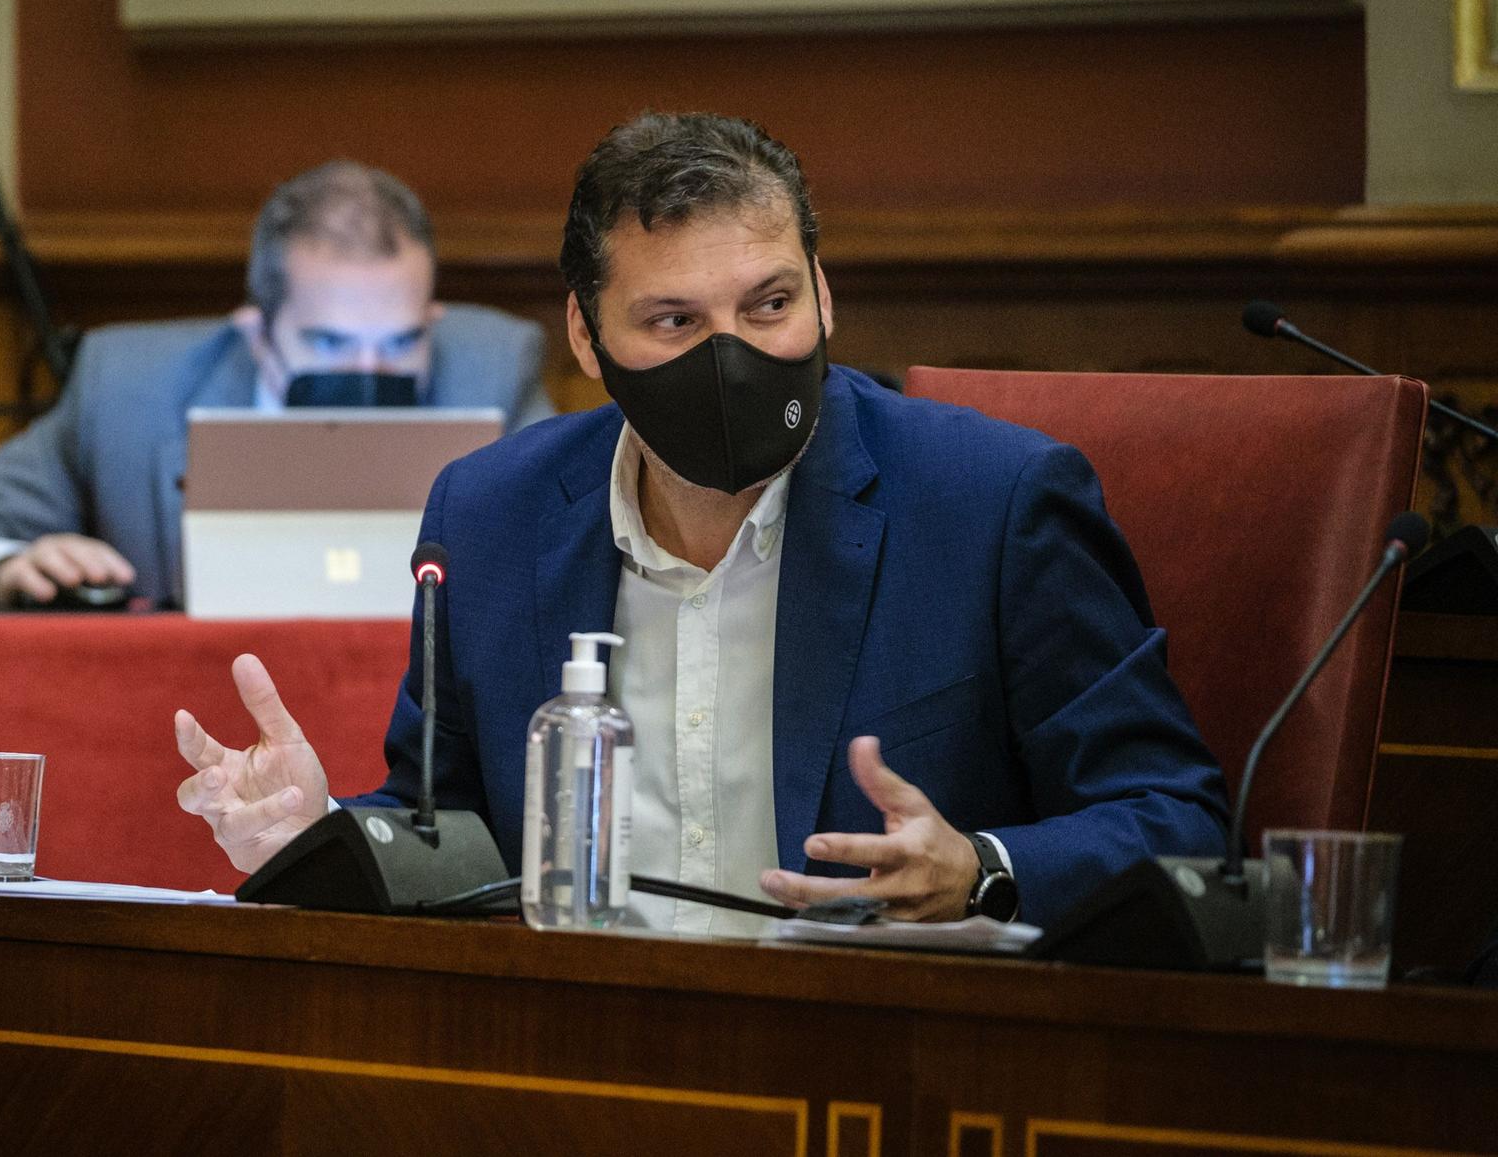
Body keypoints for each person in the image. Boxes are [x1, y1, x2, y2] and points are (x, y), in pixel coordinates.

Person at [173, 114, 1228, 931]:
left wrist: (982, 871)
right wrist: (322, 835)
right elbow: (450, 832)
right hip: (578, 1062)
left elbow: (1175, 820)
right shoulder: (487, 511)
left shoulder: (990, 501)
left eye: (769, 306)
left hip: (873, 1068)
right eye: (673, 321)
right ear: (585, 335)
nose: (735, 357)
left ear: (822, 289)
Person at [0, 161, 555, 610]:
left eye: (402, 342)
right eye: (330, 343)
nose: (369, 372)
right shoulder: (127, 391)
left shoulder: (491, 369)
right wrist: (8, 568)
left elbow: (566, 548)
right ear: (257, 332)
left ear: (432, 319)